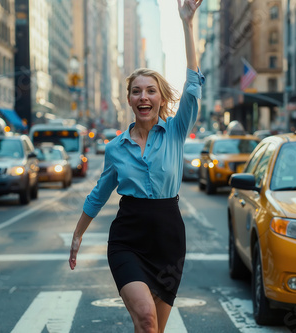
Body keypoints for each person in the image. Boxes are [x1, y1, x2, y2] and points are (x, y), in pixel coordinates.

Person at [69, 0, 204, 332]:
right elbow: (99, 195)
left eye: (151, 91)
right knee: (145, 316)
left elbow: (193, 85)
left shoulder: (175, 133)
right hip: (128, 238)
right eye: (136, 91)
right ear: (128, 99)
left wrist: (186, 24)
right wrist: (77, 234)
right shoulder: (116, 148)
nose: (144, 97)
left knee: (151, 327)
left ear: (160, 98)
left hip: (168, 239)